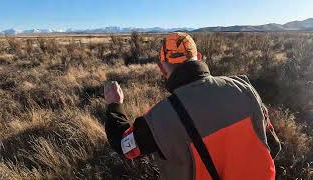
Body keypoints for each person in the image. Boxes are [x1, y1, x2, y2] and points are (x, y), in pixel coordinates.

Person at [104, 32, 281, 180]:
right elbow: (272, 145)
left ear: (161, 68)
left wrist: (114, 105)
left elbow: (125, 147)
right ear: (198, 57)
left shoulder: (159, 119)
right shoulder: (244, 87)